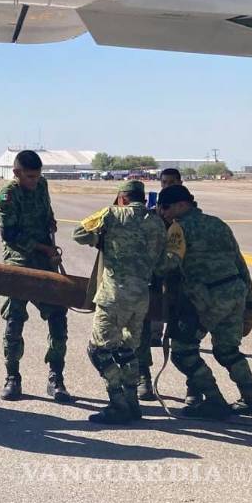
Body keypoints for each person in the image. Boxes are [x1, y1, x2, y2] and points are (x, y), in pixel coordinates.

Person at [158, 184, 252, 419]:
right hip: (235, 292)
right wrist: (250, 300)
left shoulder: (179, 228)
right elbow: (239, 261)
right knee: (228, 351)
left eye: (165, 207)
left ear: (181, 205)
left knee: (183, 352)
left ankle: (214, 400)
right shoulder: (218, 223)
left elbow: (170, 263)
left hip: (206, 298)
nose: (162, 211)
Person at [71, 181, 167, 424]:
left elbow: (79, 233)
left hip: (114, 295)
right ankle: (133, 402)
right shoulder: (156, 221)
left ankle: (117, 402)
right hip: (140, 297)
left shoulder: (112, 214)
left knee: (98, 350)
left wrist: (100, 239)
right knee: (127, 350)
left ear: (122, 198)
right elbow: (160, 256)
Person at [0, 150, 72, 402]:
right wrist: (43, 248)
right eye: (29, 177)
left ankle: (56, 377)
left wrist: (51, 223)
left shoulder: (42, 185)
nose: (34, 181)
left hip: (45, 259)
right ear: (16, 173)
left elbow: (46, 211)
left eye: (37, 177)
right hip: (20, 260)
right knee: (15, 320)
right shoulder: (7, 196)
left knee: (58, 316)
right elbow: (10, 236)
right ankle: (12, 377)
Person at [134, 167, 184, 401]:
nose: (168, 185)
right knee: (143, 327)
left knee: (185, 335)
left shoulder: (187, 213)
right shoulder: (151, 215)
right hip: (153, 279)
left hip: (181, 280)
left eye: (173, 182)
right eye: (165, 182)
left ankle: (194, 388)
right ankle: (144, 377)